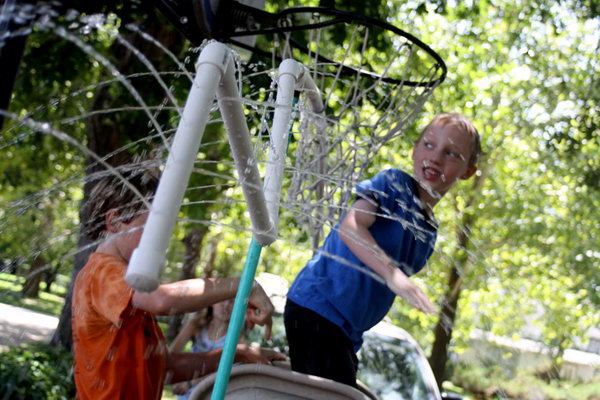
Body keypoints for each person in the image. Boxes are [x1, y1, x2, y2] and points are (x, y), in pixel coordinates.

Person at [284, 113, 481, 387]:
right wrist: (394, 275)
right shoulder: (394, 184)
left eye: (451, 153)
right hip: (317, 309)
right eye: (428, 145)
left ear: (468, 172)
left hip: (345, 332)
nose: (435, 157)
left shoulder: (428, 231)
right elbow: (351, 226)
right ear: (414, 150)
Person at [71, 169, 285, 400]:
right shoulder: (103, 271)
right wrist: (244, 286)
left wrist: (236, 354)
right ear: (114, 221)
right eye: (153, 228)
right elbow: (162, 300)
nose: (162, 241)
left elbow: (162, 368)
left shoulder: (126, 286)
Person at [169, 299, 242, 399]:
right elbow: (172, 354)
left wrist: (190, 383)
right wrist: (175, 377)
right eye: (222, 299)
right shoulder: (195, 325)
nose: (226, 305)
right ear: (212, 302)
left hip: (211, 392)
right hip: (186, 391)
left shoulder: (237, 338)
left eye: (232, 302)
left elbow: (224, 371)